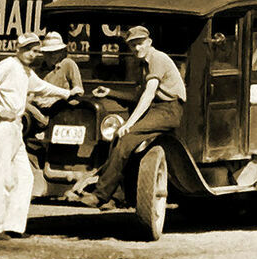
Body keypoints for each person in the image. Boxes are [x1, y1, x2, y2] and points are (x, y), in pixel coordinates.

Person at [0, 32, 71, 238]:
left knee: (25, 177)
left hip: (15, 128)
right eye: (28, 50)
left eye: (35, 51)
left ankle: (13, 226)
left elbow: (42, 87)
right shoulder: (8, 65)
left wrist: (67, 93)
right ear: (18, 49)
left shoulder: (25, 72)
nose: (32, 54)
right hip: (2, 125)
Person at [80, 24, 186, 208]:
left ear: (149, 42)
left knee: (127, 136)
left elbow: (148, 94)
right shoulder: (144, 63)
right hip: (157, 108)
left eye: (140, 43)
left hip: (169, 110)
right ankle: (120, 195)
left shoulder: (157, 58)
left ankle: (100, 195)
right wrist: (110, 92)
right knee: (119, 139)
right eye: (133, 45)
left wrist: (129, 123)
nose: (137, 48)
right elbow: (138, 96)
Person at [0, 31, 79, 177]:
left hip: (46, 115)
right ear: (19, 50)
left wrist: (67, 94)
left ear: (62, 52)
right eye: (47, 53)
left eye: (54, 52)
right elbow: (40, 87)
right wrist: (0, 109)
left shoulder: (66, 64)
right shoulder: (23, 68)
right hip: (26, 114)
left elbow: (54, 89)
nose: (50, 56)